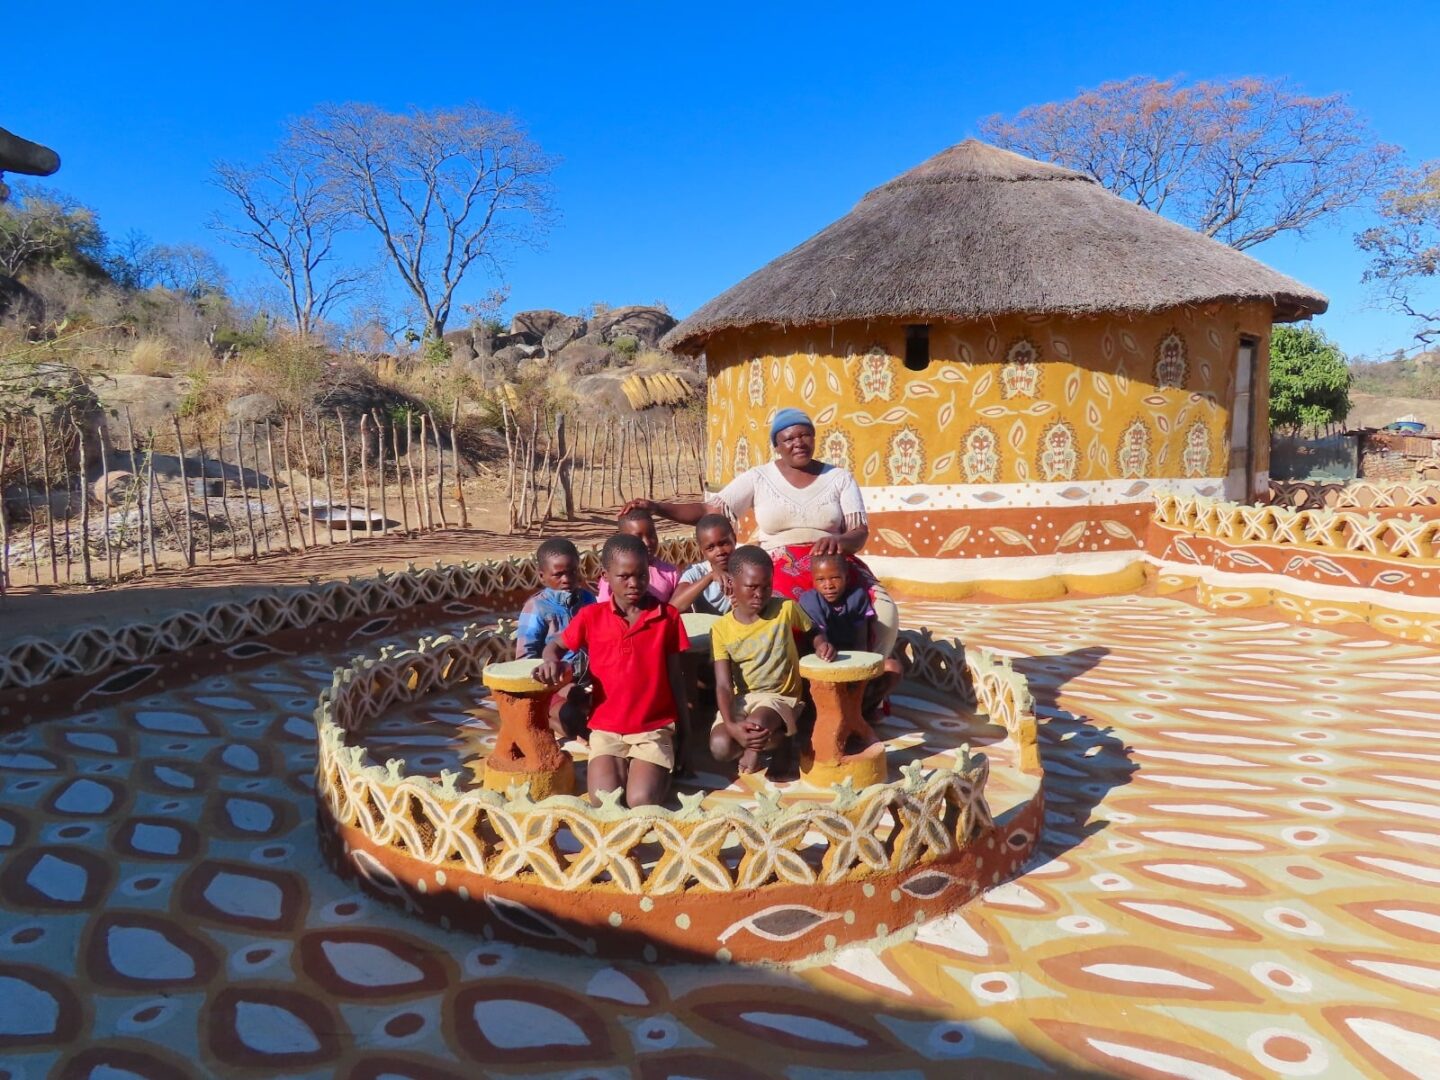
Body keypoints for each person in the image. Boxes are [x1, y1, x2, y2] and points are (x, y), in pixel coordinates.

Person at [622, 407, 898, 657]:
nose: (798, 442)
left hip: (831, 562)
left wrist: (840, 540)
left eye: (805, 435)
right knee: (777, 614)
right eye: (789, 438)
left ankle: (867, 677)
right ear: (776, 445)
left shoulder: (839, 478)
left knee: (883, 610)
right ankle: (795, 683)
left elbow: (859, 532)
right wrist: (656, 506)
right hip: (779, 564)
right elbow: (709, 510)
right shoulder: (759, 477)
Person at [537, 533, 690, 807]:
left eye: (641, 575)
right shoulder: (591, 617)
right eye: (624, 576)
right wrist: (550, 660)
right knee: (603, 800)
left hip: (652, 728)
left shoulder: (667, 617)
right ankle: (632, 767)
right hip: (606, 728)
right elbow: (556, 645)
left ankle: (656, 767)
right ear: (605, 576)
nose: (634, 583)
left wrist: (685, 737)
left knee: (641, 800)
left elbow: (677, 679)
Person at [710, 545, 834, 775]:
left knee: (757, 724)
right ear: (732, 584)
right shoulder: (721, 629)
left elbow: (812, 631)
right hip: (743, 699)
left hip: (781, 697)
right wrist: (731, 725)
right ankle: (775, 740)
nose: (760, 594)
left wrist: (821, 644)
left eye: (767, 586)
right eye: (752, 587)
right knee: (720, 746)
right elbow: (723, 685)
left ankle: (777, 742)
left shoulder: (785, 608)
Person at [797, 551, 904, 723]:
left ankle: (860, 712)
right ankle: (821, 717)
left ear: (846, 578)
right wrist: (823, 647)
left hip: (852, 664)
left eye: (835, 578)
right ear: (813, 581)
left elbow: (861, 640)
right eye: (821, 579)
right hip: (824, 667)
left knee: (893, 668)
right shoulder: (810, 600)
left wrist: (859, 671)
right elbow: (817, 636)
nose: (828, 585)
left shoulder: (857, 597)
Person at [515, 538, 595, 740]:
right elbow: (525, 657)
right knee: (571, 718)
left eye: (572, 572)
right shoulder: (537, 607)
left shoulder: (588, 600)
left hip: (586, 680)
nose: (566, 579)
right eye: (558, 575)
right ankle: (544, 719)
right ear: (542, 576)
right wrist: (555, 682)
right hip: (551, 686)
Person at [595, 506, 681, 604]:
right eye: (638, 537)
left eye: (651, 535)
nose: (647, 543)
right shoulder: (614, 575)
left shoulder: (671, 573)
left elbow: (678, 608)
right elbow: (604, 608)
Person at [670, 513, 737, 616]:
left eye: (724, 543)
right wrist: (710, 576)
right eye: (711, 548)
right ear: (702, 550)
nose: (720, 552)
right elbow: (674, 606)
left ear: (734, 539)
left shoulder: (748, 566)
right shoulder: (696, 572)